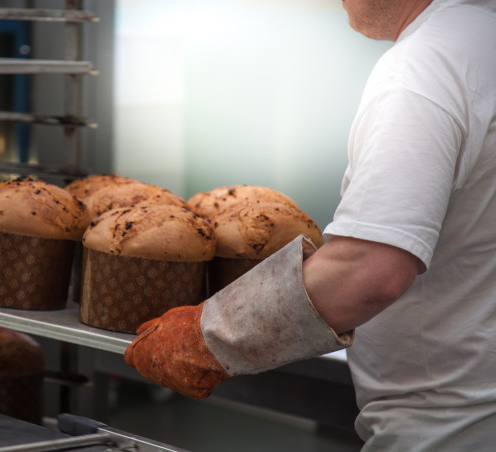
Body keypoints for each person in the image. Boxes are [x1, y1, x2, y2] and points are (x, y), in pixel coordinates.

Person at [123, 0, 496, 450]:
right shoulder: (481, 41)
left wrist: (205, 338)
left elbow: (368, 272)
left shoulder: (429, 65)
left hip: (450, 428)